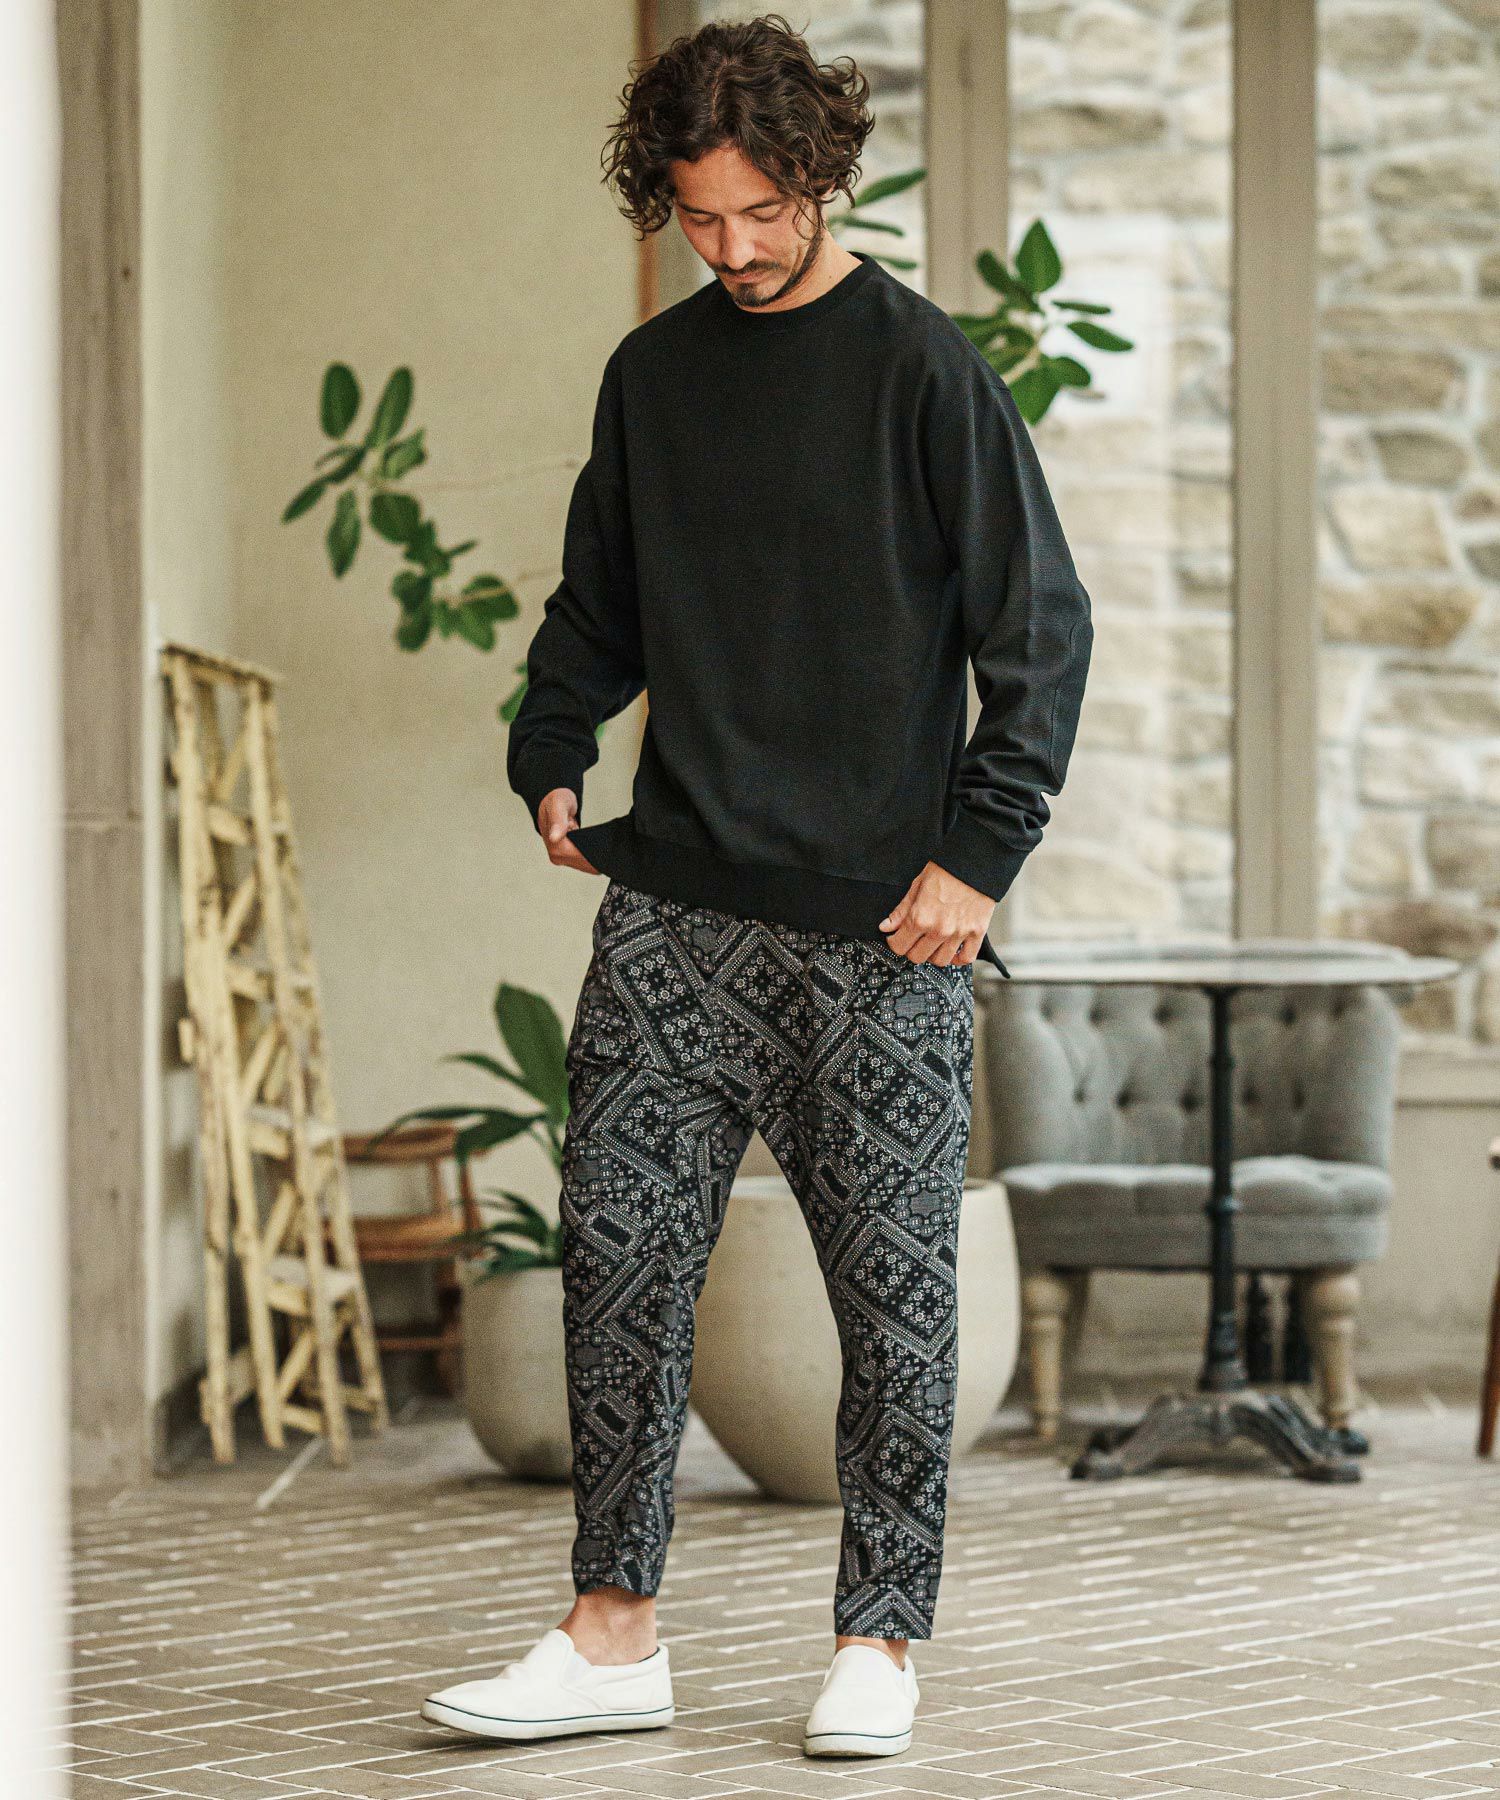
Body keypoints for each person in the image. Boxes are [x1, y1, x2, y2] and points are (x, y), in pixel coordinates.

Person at [422, 11, 1091, 1762]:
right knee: (617, 1264)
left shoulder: (924, 371)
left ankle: (879, 1642)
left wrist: (978, 858)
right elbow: (598, 607)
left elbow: (1040, 634)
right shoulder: (654, 378)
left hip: (881, 930)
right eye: (699, 217)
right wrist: (551, 743)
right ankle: (611, 1633)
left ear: (820, 174)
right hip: (675, 915)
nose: (730, 247)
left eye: (760, 213)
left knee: (896, 1300)